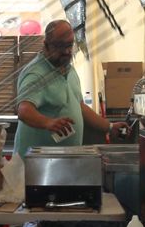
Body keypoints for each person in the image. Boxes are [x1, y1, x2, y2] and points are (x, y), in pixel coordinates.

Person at [12, 19, 127, 157]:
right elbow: (24, 110)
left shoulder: (69, 70)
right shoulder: (36, 74)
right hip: (35, 165)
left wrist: (109, 127)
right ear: (46, 45)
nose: (66, 51)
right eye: (60, 46)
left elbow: (80, 107)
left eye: (69, 45)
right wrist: (48, 123)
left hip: (62, 162)